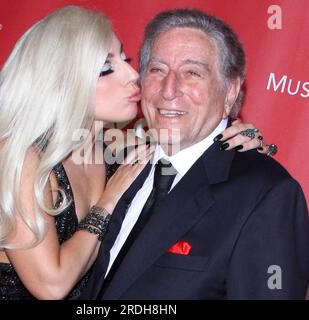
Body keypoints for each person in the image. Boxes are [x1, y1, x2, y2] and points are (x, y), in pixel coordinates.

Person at [0, 6, 273, 300]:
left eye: (125, 59)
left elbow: (190, 141)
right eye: (106, 68)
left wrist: (233, 136)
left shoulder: (120, 152)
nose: (134, 76)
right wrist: (107, 201)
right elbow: (51, 286)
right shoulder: (20, 158)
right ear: (63, 83)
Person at [80, 9, 309, 300]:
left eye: (192, 73)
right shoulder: (117, 166)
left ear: (230, 91)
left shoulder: (265, 194)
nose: (169, 89)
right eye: (157, 69)